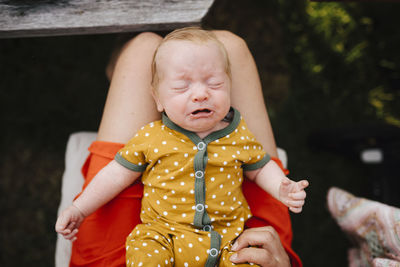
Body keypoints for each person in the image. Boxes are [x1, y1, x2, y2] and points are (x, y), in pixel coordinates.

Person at [56, 27, 308, 267]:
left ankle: (167, 69)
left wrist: (79, 208)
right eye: (185, 87)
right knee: (229, 47)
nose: (201, 95)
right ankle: (180, 61)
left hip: (149, 246)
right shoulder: (238, 134)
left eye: (214, 86)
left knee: (143, 49)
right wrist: (282, 188)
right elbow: (259, 165)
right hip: (236, 237)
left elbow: (117, 172)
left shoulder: (150, 137)